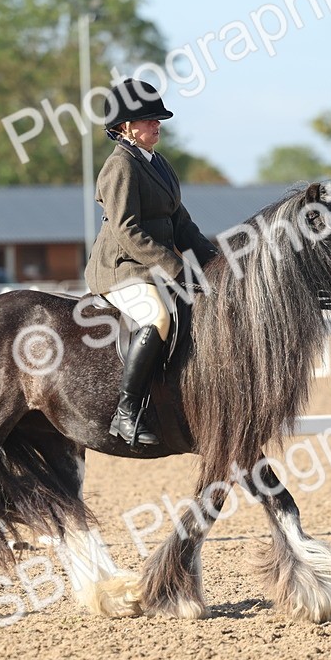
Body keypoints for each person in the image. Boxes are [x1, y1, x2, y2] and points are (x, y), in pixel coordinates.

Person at [84, 79, 218, 446]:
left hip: (148, 266)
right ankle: (126, 412)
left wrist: (215, 264)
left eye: (157, 119)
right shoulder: (120, 166)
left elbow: (182, 225)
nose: (156, 124)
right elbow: (127, 229)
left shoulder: (159, 164)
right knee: (157, 316)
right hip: (120, 268)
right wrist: (176, 269)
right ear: (125, 126)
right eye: (148, 119)